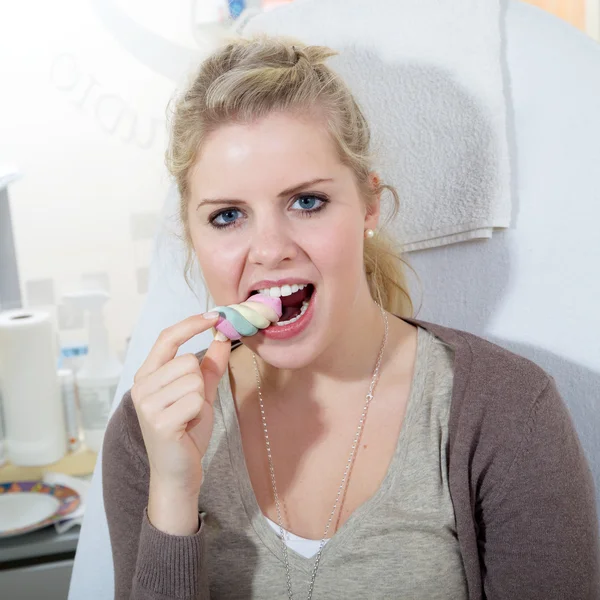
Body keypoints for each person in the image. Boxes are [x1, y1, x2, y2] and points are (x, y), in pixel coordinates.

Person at [102, 34, 599, 600]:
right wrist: (172, 491)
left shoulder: (507, 411)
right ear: (191, 236)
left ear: (368, 204)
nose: (269, 249)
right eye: (227, 215)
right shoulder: (150, 429)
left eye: (306, 202)